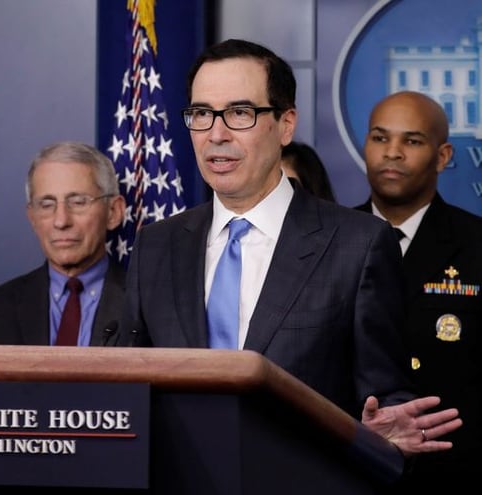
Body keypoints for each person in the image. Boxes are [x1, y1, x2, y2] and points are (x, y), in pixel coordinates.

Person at [117, 38, 461, 458]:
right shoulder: (156, 246)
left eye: (240, 113)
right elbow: (129, 388)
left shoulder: (359, 244)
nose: (216, 134)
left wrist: (376, 436)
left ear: (286, 125)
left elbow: (382, 396)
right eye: (202, 114)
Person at [356, 90, 481, 490]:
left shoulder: (476, 243)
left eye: (411, 141)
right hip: (352, 468)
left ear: (443, 156)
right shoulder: (327, 240)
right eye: (380, 138)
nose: (392, 152)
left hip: (456, 469)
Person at [0, 141, 126, 346]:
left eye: (78, 202)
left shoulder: (147, 307)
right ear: (32, 217)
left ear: (113, 212)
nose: (61, 221)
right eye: (46, 205)